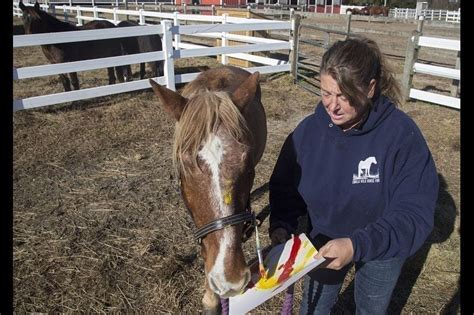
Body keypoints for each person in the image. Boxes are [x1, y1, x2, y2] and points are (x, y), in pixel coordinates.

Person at [268, 36, 439, 314]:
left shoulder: (401, 136)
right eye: (325, 93)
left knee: (371, 307)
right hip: (322, 238)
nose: (332, 106)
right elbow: (286, 186)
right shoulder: (308, 133)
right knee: (313, 308)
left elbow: (414, 212)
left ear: (370, 88)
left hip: (381, 245)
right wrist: (282, 224)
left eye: (344, 96)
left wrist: (357, 245)